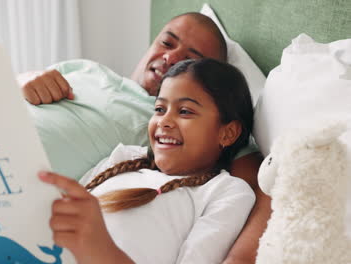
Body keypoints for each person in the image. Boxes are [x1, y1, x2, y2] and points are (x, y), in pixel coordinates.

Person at [22, 12, 268, 264]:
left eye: (185, 111)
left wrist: (100, 248)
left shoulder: (225, 191)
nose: (165, 121)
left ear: (227, 132)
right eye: (159, 109)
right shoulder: (124, 157)